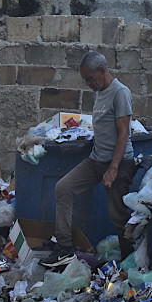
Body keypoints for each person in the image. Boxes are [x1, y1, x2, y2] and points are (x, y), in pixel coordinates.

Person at [47, 51, 137, 266]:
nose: (88, 84)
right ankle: (64, 247)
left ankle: (129, 261)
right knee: (63, 187)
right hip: (96, 160)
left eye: (90, 78)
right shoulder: (99, 93)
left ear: (102, 70)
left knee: (117, 216)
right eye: (85, 79)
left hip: (119, 163)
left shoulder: (120, 93)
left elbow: (124, 133)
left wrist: (113, 169)